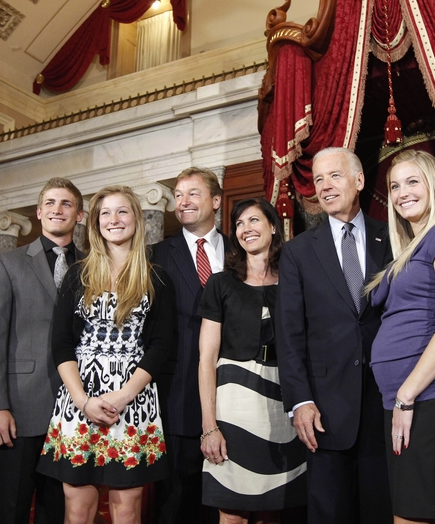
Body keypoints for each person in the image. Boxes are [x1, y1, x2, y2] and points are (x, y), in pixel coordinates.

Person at [37, 185, 176, 524]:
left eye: (122, 211)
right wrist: (83, 400)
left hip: (134, 400)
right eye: (105, 213)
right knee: (78, 507)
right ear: (96, 223)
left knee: (127, 509)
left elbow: (162, 345)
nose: (114, 220)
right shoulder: (77, 274)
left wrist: (125, 395)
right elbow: (61, 344)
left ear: (137, 218)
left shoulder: (156, 277)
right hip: (80, 398)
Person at [276, 147, 394, 524]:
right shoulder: (297, 252)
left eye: (334, 176)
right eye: (319, 179)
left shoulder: (391, 237)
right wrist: (300, 401)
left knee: (381, 508)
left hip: (385, 402)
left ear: (359, 181)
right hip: (324, 410)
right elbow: (289, 333)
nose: (324, 187)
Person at [366, 150, 435, 523]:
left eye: (413, 181)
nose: (402, 192)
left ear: (434, 186)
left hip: (427, 396)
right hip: (399, 400)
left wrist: (407, 395)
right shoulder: (404, 251)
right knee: (411, 515)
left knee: (415, 517)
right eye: (395, 186)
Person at [0, 177, 85, 524]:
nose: (57, 209)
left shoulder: (94, 267)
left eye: (66, 204)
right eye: (50, 203)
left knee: (58, 508)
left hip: (73, 410)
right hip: (19, 409)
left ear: (79, 215)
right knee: (9, 509)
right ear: (38, 212)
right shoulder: (7, 263)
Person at [198, 198, 307, 523]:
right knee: (232, 512)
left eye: (254, 221)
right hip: (233, 406)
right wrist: (209, 427)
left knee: (272, 510)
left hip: (282, 402)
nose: (247, 229)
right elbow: (206, 359)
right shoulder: (220, 283)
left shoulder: (293, 281)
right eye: (240, 224)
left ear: (273, 227)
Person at [151, 167, 229, 523]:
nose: (183, 201)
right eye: (178, 195)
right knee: (177, 497)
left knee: (228, 496)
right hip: (177, 390)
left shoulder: (239, 249)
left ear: (215, 200)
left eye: (193, 193)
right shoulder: (155, 255)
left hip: (233, 390)